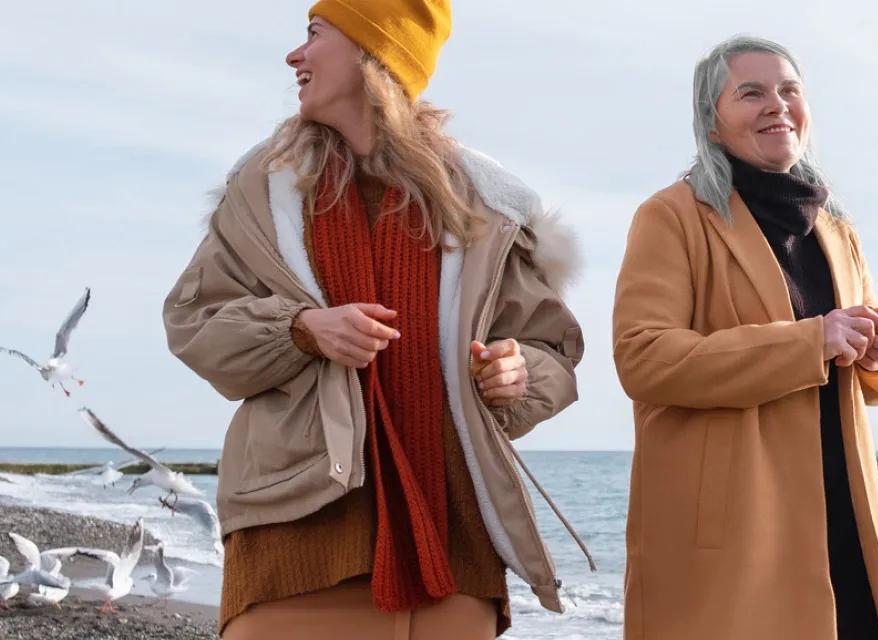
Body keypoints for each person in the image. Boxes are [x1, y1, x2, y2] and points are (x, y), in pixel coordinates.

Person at [162, 1, 586, 637]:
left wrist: (518, 372)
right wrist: (301, 329)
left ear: (373, 52)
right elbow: (194, 322)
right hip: (295, 530)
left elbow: (551, 346)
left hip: (453, 540)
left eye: (313, 35)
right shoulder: (263, 189)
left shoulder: (483, 203)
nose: (293, 56)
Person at [612, 35, 878, 640]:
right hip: (741, 530)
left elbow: (875, 386)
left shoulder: (835, 229)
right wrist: (811, 341)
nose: (776, 104)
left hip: (847, 522)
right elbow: (643, 359)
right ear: (713, 123)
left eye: (789, 90)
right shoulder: (672, 216)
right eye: (751, 93)